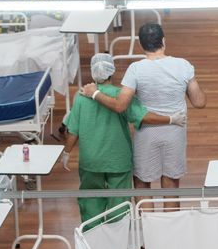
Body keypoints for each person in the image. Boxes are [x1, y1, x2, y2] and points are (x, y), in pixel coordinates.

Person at [80, 22, 207, 190]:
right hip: (175, 132)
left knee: (141, 182)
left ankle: (144, 210)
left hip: (147, 135)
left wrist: (94, 93)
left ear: (141, 44)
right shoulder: (183, 65)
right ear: (163, 41)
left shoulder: (135, 69)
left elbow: (120, 106)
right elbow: (199, 102)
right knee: (171, 183)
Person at [62, 53, 186, 223]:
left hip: (91, 161)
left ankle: (92, 236)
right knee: (119, 205)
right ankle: (118, 236)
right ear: (112, 71)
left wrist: (66, 152)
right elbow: (144, 117)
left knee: (91, 201)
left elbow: (73, 131)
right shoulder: (121, 96)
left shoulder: (81, 96)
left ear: (92, 72)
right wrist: (171, 119)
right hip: (118, 160)